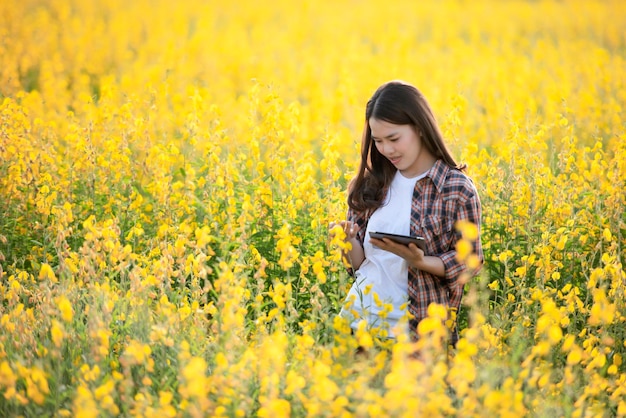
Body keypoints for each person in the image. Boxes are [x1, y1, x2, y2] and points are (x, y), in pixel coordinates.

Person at [330, 80, 483, 345]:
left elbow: (470, 262)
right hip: (359, 324)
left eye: (394, 138)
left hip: (419, 334)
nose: (386, 150)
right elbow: (359, 265)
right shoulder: (369, 186)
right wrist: (347, 241)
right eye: (377, 141)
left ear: (420, 128)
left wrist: (419, 260)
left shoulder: (455, 188)